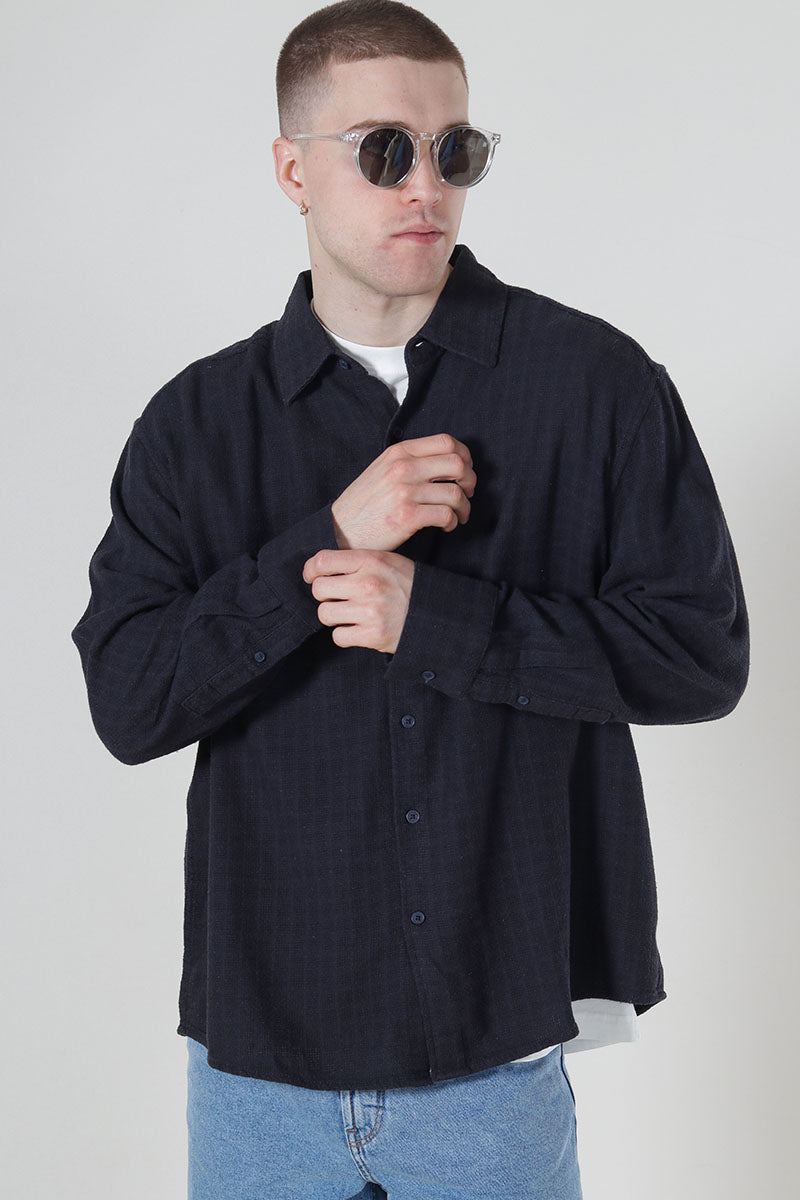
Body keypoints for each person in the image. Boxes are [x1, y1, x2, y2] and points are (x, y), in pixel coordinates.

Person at [71, 1, 749, 1197]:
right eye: (381, 150)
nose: (424, 185)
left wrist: (432, 617)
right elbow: (129, 703)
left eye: (454, 150)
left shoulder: (595, 386)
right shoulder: (195, 425)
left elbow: (698, 655)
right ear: (293, 170)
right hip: (257, 1067)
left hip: (497, 1052)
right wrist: (325, 543)